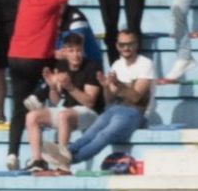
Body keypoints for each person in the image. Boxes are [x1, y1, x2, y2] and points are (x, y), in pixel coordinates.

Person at [4, 0, 111, 170]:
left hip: (14, 57)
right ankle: (38, 95)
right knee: (60, 66)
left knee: (19, 109)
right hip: (35, 58)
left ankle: (12, 154)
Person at [60, 29, 155, 169]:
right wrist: (105, 87)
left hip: (136, 113)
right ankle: (64, 153)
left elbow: (136, 97)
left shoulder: (145, 63)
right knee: (89, 134)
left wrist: (118, 84)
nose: (126, 48)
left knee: (104, 135)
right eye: (122, 45)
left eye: (130, 44)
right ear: (117, 46)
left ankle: (69, 160)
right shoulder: (117, 65)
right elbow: (109, 100)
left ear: (137, 44)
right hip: (114, 109)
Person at [24, 31, 102, 170]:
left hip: (91, 113)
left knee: (63, 115)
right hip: (68, 110)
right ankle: (37, 160)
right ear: (64, 52)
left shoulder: (92, 67)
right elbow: (55, 102)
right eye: (71, 51)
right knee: (32, 116)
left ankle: (63, 162)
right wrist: (52, 87)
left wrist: (70, 87)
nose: (75, 55)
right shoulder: (61, 66)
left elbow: (90, 102)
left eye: (78, 50)